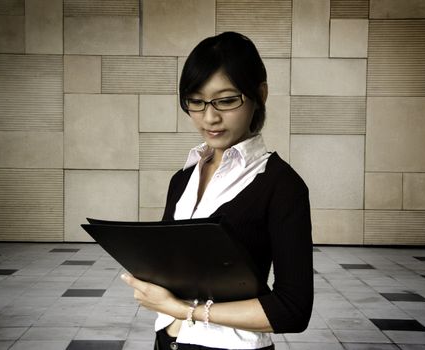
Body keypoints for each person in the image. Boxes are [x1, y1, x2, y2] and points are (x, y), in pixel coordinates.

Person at [121, 31, 313, 350]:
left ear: (259, 95)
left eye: (226, 100)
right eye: (196, 102)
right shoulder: (181, 179)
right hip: (167, 342)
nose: (210, 117)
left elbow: (293, 310)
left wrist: (184, 311)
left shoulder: (282, 184)